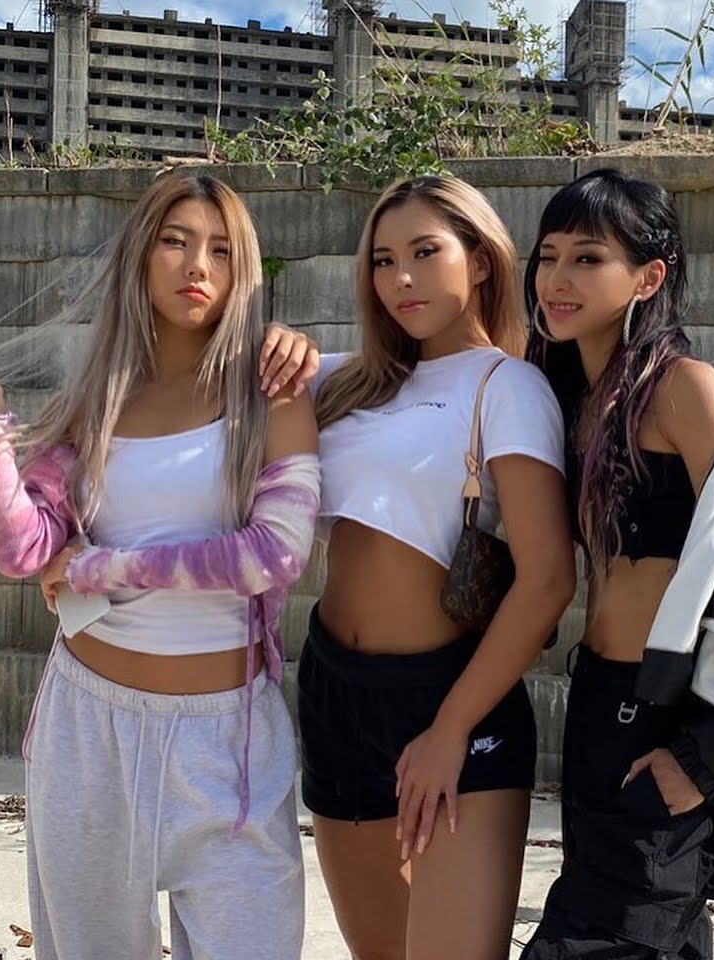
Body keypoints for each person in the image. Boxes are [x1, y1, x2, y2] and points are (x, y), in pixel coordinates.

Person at [0, 171, 321, 960]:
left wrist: (99, 571)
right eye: (176, 241)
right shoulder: (96, 404)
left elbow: (273, 555)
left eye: (221, 249)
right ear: (142, 254)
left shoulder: (272, 394)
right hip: (88, 727)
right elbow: (24, 552)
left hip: (229, 742)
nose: (197, 265)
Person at [519, 169, 714, 960]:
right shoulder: (572, 393)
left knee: (603, 939)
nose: (557, 278)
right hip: (601, 700)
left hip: (672, 716)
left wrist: (711, 754)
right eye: (549, 255)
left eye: (588, 258)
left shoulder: (683, 389)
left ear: (648, 276)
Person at [297, 175, 578, 959]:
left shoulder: (508, 384)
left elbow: (549, 579)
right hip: (335, 691)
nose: (402, 278)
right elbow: (199, 380)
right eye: (384, 261)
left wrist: (450, 729)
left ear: (480, 261)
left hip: (451, 699)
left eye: (426, 252)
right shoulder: (345, 379)